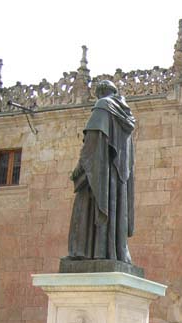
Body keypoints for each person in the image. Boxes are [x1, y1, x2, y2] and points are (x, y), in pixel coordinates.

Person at [67, 80, 136, 263]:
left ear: (100, 93)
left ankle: (91, 252)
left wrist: (79, 169)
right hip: (116, 180)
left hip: (99, 175)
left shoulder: (103, 105)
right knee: (111, 211)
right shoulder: (125, 115)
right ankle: (109, 252)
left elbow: (92, 141)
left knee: (87, 209)